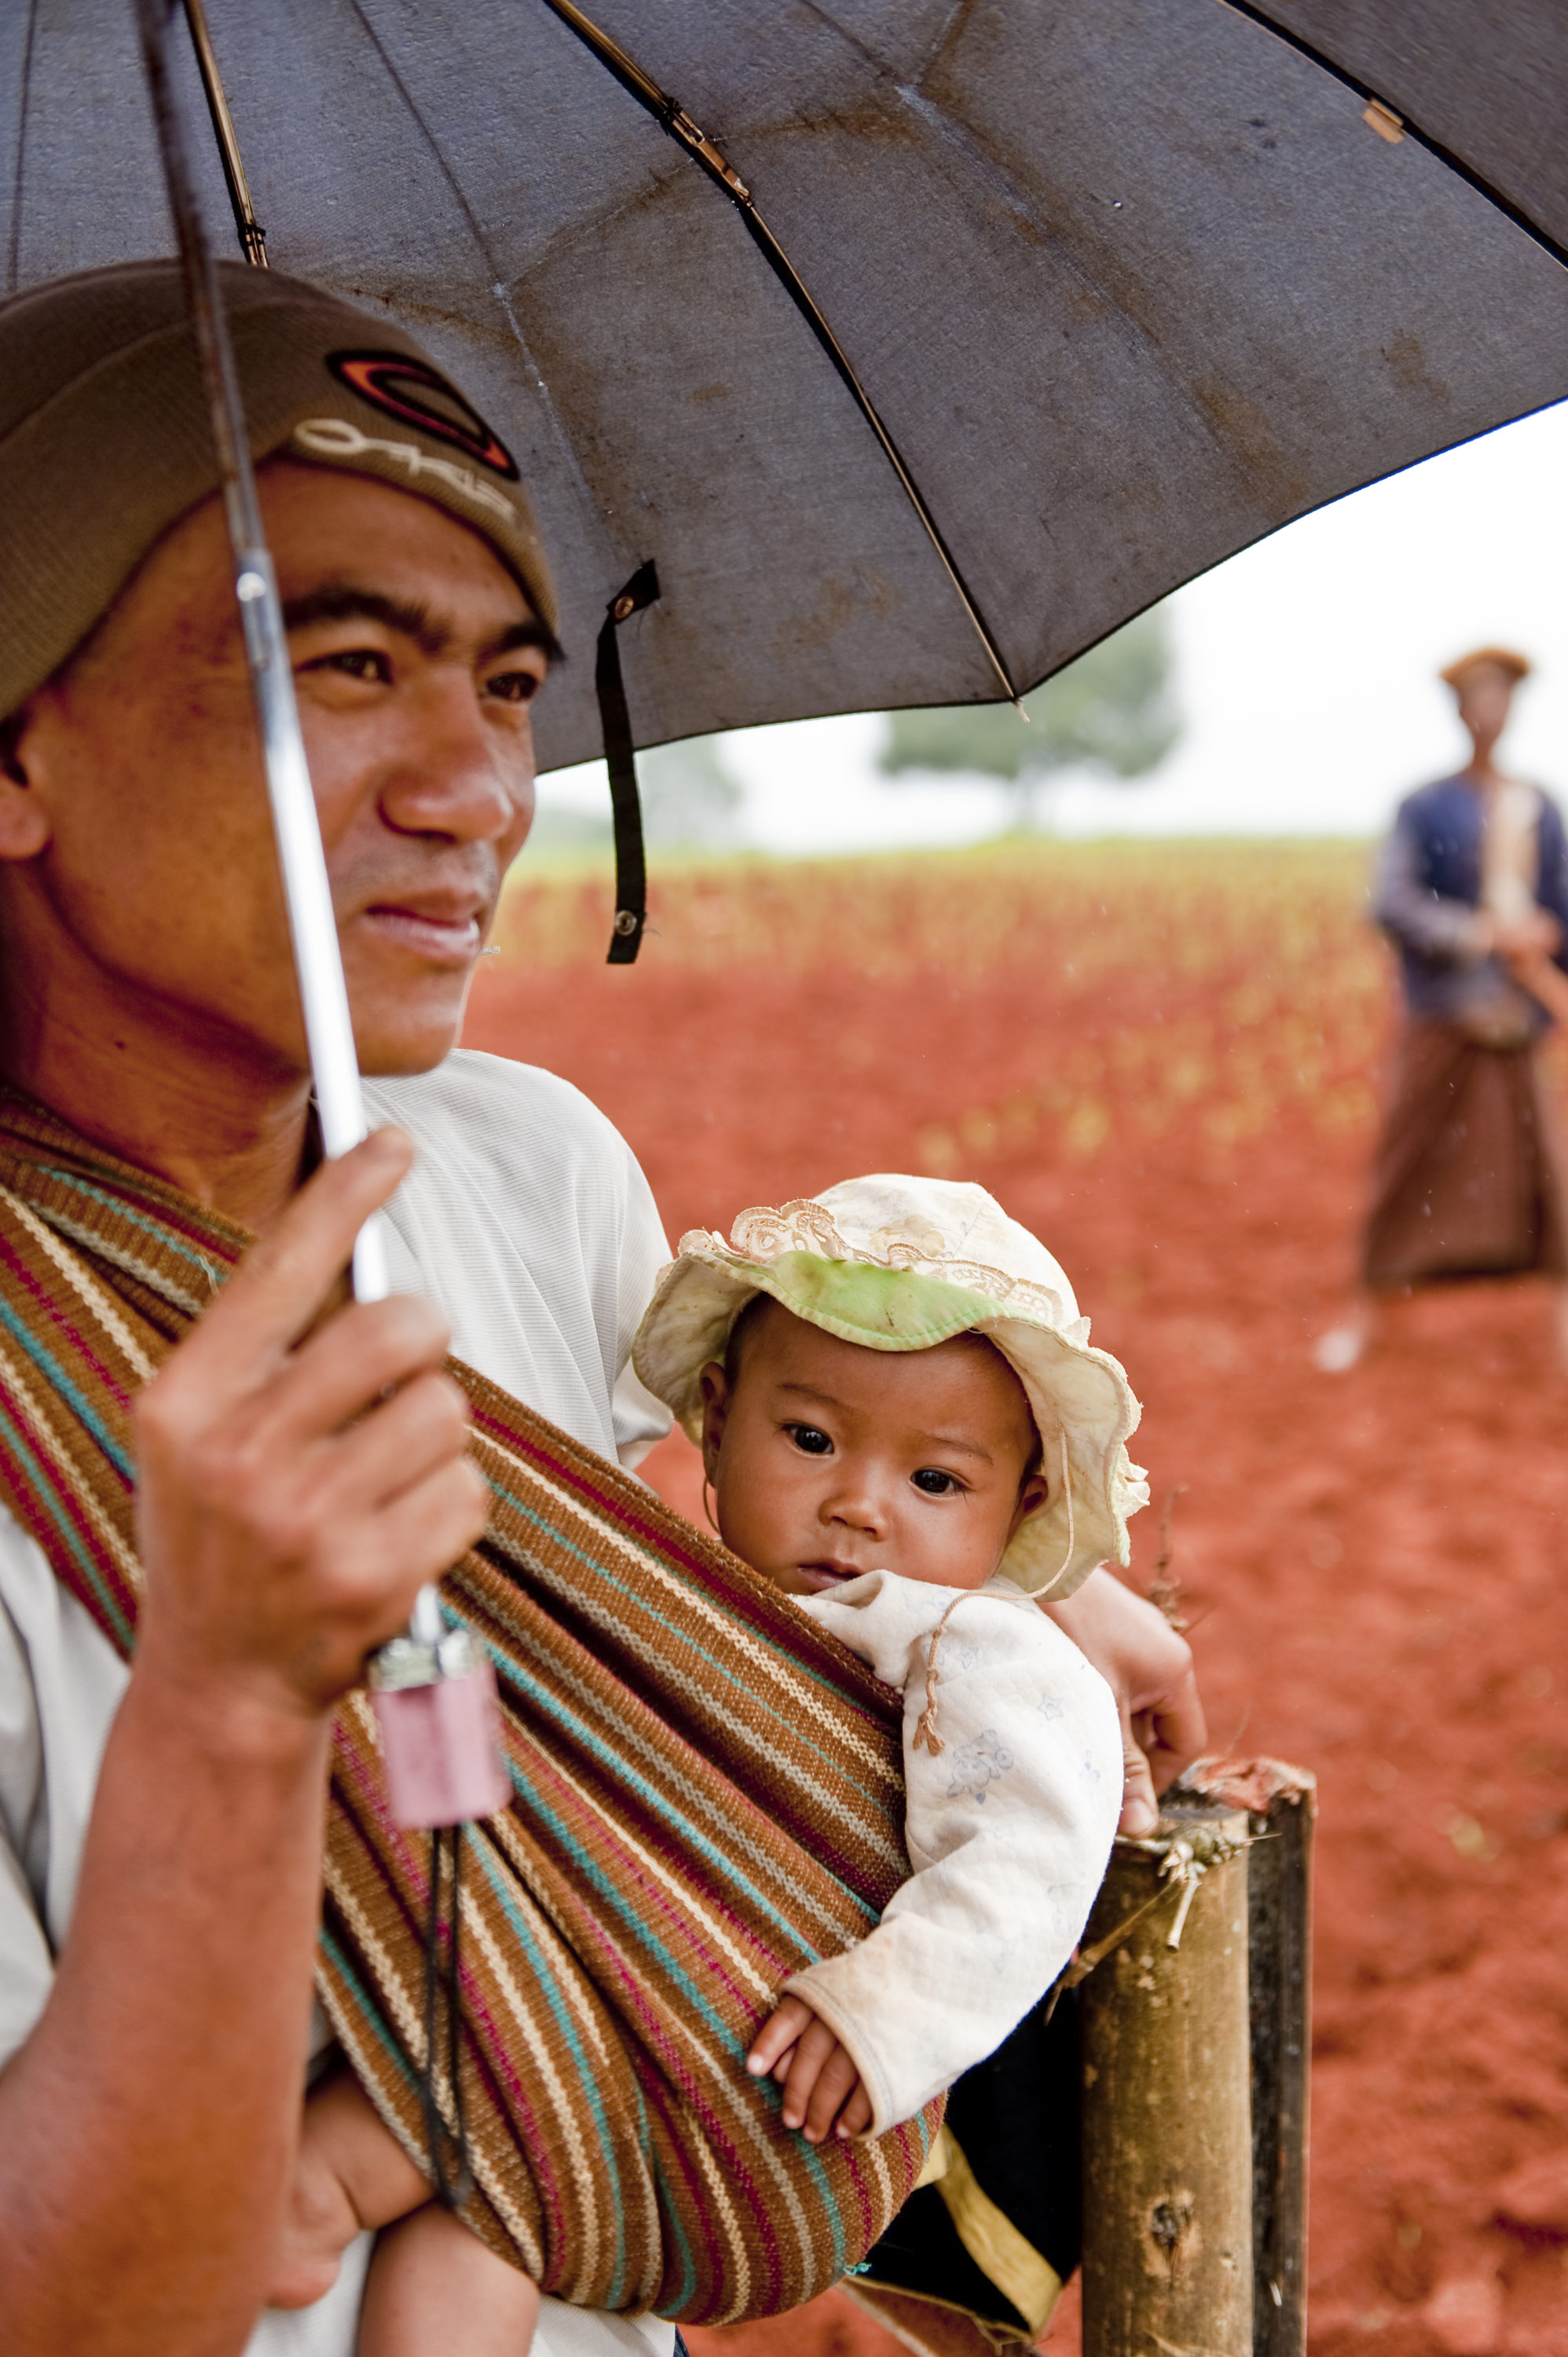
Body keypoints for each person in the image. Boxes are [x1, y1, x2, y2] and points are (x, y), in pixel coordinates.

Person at [0, 258, 1204, 2357]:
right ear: (21, 751)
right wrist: (218, 1712)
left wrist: (1011, 1588)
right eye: (341, 668)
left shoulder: (523, 1167)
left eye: (502, 683)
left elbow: (702, 1598)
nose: (475, 789)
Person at [631, 1175, 1134, 2146]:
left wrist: (885, 2012)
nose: (860, 1506)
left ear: (1020, 1506)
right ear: (721, 1416)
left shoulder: (971, 1645)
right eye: (811, 1439)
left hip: (783, 2052)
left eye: (935, 1480)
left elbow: (1030, 1856)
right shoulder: (673, 1578)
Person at [1315, 648, 1568, 1373]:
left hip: (1517, 1023)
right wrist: (1484, 933)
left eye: (1502, 698)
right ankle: (1363, 1321)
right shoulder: (1426, 807)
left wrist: (1544, 940)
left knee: (1548, 1179)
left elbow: (1561, 908)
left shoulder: (1539, 807)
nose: (1489, 712)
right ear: (1460, 711)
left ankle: (1561, 1335)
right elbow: (1394, 905)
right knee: (1407, 1166)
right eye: (1477, 698)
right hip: (1444, 1021)